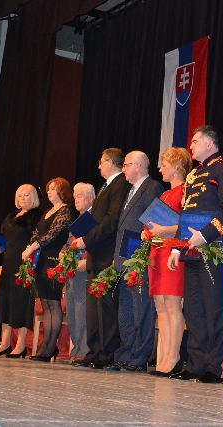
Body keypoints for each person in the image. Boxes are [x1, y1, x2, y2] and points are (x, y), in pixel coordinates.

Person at [167, 125, 223, 384]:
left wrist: (206, 235)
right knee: (194, 309)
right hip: (191, 249)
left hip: (214, 247)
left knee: (214, 307)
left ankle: (215, 366)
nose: (191, 146)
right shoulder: (193, 174)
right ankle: (196, 363)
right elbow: (185, 212)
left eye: (195, 141)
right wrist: (177, 247)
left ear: (210, 143)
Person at [72, 148, 131, 370]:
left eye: (102, 161)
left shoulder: (120, 184)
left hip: (107, 253)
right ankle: (94, 351)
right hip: (96, 254)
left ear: (112, 162)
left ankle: (107, 353)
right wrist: (81, 234)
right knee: (94, 308)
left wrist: (87, 239)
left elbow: (111, 220)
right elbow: (97, 218)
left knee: (106, 306)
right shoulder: (106, 186)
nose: (98, 166)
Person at [110, 151, 163, 371]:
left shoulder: (153, 188)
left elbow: (154, 224)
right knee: (126, 310)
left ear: (138, 166)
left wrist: (141, 254)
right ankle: (126, 352)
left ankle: (140, 356)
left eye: (126, 165)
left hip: (140, 257)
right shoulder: (129, 190)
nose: (123, 169)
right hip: (123, 256)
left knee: (141, 308)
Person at [147, 147, 191, 376]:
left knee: (172, 305)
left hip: (173, 251)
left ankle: (173, 356)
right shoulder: (164, 195)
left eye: (164, 165)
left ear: (176, 167)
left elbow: (188, 225)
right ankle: (164, 356)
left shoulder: (186, 191)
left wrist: (163, 230)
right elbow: (155, 224)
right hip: (157, 252)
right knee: (160, 306)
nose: (160, 168)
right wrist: (148, 232)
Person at [23, 178, 76, 361]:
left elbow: (52, 234)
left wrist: (33, 246)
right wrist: (29, 246)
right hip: (42, 259)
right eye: (48, 189)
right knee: (45, 303)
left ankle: (50, 347)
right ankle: (46, 347)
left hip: (53, 259)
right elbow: (37, 232)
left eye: (53, 189)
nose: (49, 192)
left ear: (62, 191)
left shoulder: (65, 211)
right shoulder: (48, 211)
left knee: (53, 303)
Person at [0, 184, 43, 357]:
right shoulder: (11, 216)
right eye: (20, 195)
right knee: (5, 302)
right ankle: (4, 343)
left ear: (33, 197)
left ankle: (20, 345)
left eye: (27, 195)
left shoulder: (37, 216)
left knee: (21, 303)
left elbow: (38, 240)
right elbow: (4, 240)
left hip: (24, 265)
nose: (23, 198)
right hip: (8, 263)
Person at [66, 183, 95, 366]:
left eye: (80, 196)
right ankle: (76, 348)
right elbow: (70, 243)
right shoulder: (79, 219)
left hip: (84, 270)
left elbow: (96, 242)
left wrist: (87, 261)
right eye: (75, 196)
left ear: (90, 198)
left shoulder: (94, 218)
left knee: (81, 311)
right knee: (71, 312)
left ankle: (84, 351)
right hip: (71, 270)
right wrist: (63, 252)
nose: (76, 200)